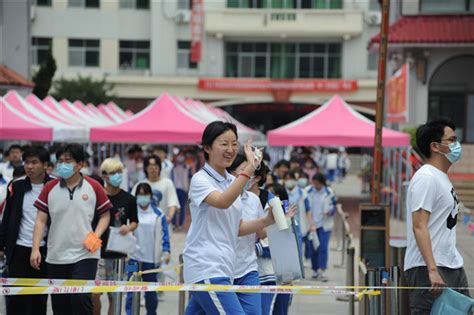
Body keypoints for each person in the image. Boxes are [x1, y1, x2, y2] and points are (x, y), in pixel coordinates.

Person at [183, 121, 276, 314]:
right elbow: (223, 201)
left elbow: (237, 227)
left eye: (234, 144)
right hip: (207, 267)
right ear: (207, 148)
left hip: (226, 268)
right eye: (224, 144)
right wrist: (249, 168)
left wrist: (266, 220)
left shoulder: (232, 181)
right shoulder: (201, 180)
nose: (231, 149)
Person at [31, 144, 112, 315]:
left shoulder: (94, 186)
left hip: (85, 254)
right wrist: (36, 248)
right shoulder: (49, 188)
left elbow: (105, 215)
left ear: (80, 164)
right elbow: (40, 220)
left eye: (68, 160)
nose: (62, 164)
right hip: (56, 255)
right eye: (59, 161)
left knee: (81, 300)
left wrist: (95, 236)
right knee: (60, 305)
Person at [404, 119, 471, 314]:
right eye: (452, 140)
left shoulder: (441, 177)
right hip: (429, 268)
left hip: (452, 264)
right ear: (435, 146)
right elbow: (419, 225)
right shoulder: (426, 178)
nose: (457, 145)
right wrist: (432, 270)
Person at [0, 146, 52, 315]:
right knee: (17, 300)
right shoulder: (16, 186)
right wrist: (2, 246)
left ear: (45, 164)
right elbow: (7, 218)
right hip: (18, 250)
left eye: (34, 162)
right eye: (27, 162)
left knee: (39, 300)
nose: (29, 166)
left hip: (45, 250)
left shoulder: (54, 187)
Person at [93, 158, 138, 315]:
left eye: (120, 172)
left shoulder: (129, 199)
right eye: (114, 173)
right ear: (105, 176)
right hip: (96, 253)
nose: (118, 176)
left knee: (115, 296)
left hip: (118, 255)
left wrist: (128, 227)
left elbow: (134, 221)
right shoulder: (96, 197)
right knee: (93, 294)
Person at [227, 152, 266, 315]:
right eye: (244, 170)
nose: (248, 175)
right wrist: (267, 221)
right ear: (230, 173)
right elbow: (237, 229)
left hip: (248, 269)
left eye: (250, 170)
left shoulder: (253, 199)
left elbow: (261, 233)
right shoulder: (222, 199)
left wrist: (279, 221)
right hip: (223, 269)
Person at [125, 183, 170, 315]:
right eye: (140, 194)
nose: (142, 197)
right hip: (133, 259)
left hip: (151, 260)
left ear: (150, 196)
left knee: (151, 292)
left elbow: (165, 234)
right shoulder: (131, 212)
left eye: (145, 194)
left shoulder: (158, 214)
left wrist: (166, 251)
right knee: (131, 290)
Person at [306, 173, 336, 282]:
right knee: (313, 248)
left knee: (323, 248)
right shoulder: (308, 191)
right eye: (314, 183)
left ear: (322, 183)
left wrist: (330, 212)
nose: (315, 185)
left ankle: (323, 270)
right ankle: (315, 270)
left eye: (318, 183)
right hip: (312, 224)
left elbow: (334, 207)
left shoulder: (329, 192)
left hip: (324, 225)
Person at [131, 155, 179, 224]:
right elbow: (132, 202)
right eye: (150, 166)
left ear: (160, 168)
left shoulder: (167, 183)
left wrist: (169, 217)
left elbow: (172, 203)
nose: (153, 168)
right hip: (143, 224)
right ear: (145, 168)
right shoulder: (140, 185)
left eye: (156, 166)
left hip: (162, 223)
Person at [170, 153, 192, 229]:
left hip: (184, 189)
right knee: (174, 206)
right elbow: (171, 178)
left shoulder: (187, 167)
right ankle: (174, 223)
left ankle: (180, 224)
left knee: (182, 207)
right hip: (175, 189)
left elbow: (190, 179)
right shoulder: (173, 167)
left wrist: (189, 190)